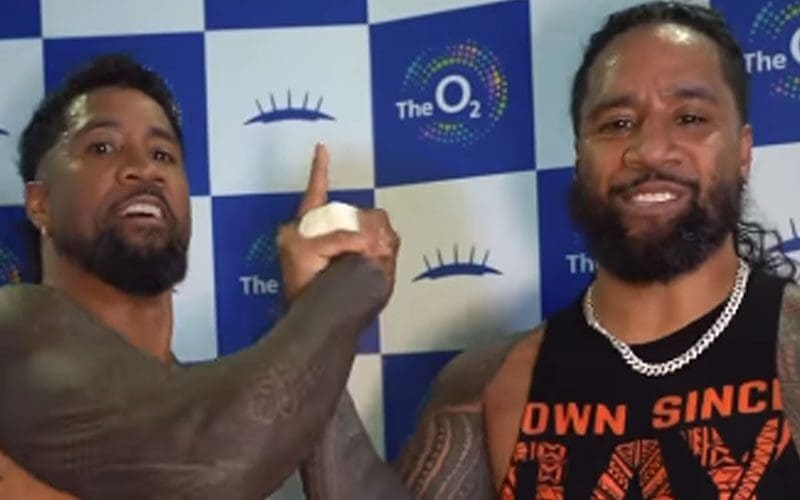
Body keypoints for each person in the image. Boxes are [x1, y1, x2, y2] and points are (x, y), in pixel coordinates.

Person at [299, 2, 800, 498]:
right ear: (581, 157)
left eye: (690, 117)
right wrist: (311, 322)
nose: (650, 149)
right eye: (618, 123)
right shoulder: (493, 384)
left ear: (743, 152)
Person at [0, 54, 399, 499]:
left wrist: (315, 298)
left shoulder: (211, 400)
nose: (144, 168)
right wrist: (349, 288)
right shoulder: (10, 324)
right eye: (103, 147)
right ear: (40, 204)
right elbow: (206, 461)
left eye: (162, 154)